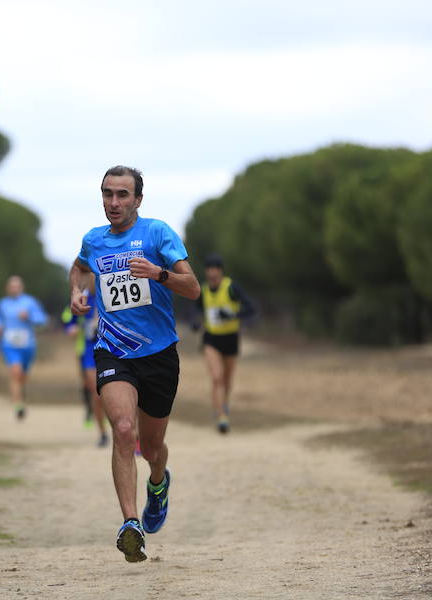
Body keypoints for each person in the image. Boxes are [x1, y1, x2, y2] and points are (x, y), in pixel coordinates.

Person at [69, 165, 200, 563]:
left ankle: (158, 486)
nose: (114, 202)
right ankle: (131, 525)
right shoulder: (94, 241)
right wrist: (76, 292)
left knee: (152, 446)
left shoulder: (158, 233)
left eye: (122, 195)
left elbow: (192, 288)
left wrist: (159, 273)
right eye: (108, 194)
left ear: (138, 200)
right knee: (124, 430)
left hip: (159, 354)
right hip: (113, 351)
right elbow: (79, 268)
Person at [193, 254, 256, 434]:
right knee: (217, 377)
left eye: (215, 270)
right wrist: (195, 321)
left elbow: (251, 309)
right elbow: (195, 310)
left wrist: (233, 316)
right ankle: (222, 417)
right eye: (209, 270)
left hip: (231, 338)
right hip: (211, 339)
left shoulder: (231, 288)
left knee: (227, 381)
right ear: (206, 273)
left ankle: (223, 405)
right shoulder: (203, 290)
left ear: (220, 272)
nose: (212, 274)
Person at [0, 275, 47, 419]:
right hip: (9, 344)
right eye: (11, 286)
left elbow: (42, 319)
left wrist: (29, 317)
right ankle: (18, 405)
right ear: (7, 288)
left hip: (28, 345)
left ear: (21, 287)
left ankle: (20, 393)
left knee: (23, 375)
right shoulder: (2, 304)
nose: (14, 289)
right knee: (15, 372)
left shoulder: (30, 302)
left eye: (17, 286)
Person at [62, 289, 109, 447]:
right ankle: (102, 433)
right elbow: (69, 320)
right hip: (90, 349)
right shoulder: (82, 297)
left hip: (114, 348)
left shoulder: (110, 287)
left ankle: (127, 430)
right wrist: (71, 328)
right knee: (96, 391)